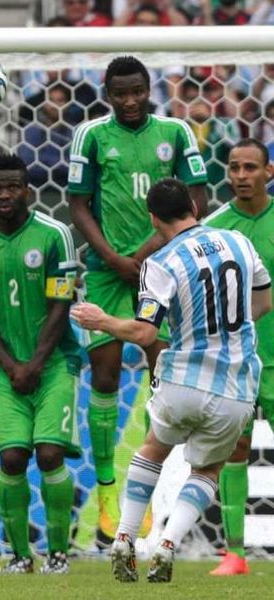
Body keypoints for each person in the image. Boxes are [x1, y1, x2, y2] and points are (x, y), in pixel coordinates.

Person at [72, 178, 272, 583]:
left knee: (152, 451)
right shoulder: (238, 242)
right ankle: (167, 545)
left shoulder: (161, 263)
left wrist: (103, 320)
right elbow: (265, 299)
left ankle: (125, 538)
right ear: (194, 209)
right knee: (208, 471)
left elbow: (146, 334)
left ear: (152, 219)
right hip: (236, 385)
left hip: (183, 378)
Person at [67, 55, 208, 543]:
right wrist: (110, 255)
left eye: (137, 92)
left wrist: (146, 253)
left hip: (165, 264)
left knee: (164, 371)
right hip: (108, 272)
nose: (129, 101)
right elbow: (78, 202)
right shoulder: (91, 136)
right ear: (106, 92)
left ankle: (160, 490)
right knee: (104, 373)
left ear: (150, 89)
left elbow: (197, 201)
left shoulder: (176, 132)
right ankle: (108, 486)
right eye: (119, 93)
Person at [0, 153, 80, 575]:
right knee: (11, 459)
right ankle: (20, 556)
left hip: (55, 364)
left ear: (27, 190)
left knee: (48, 454)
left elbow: (61, 302)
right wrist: (11, 365)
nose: (5, 195)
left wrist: (34, 363)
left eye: (13, 187)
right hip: (9, 370)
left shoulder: (54, 234)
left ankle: (60, 552)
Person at [201, 139, 274, 576]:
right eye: (234, 168)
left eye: (250, 167)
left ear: (269, 171)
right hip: (237, 362)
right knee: (234, 451)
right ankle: (234, 554)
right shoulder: (214, 230)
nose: (241, 176)